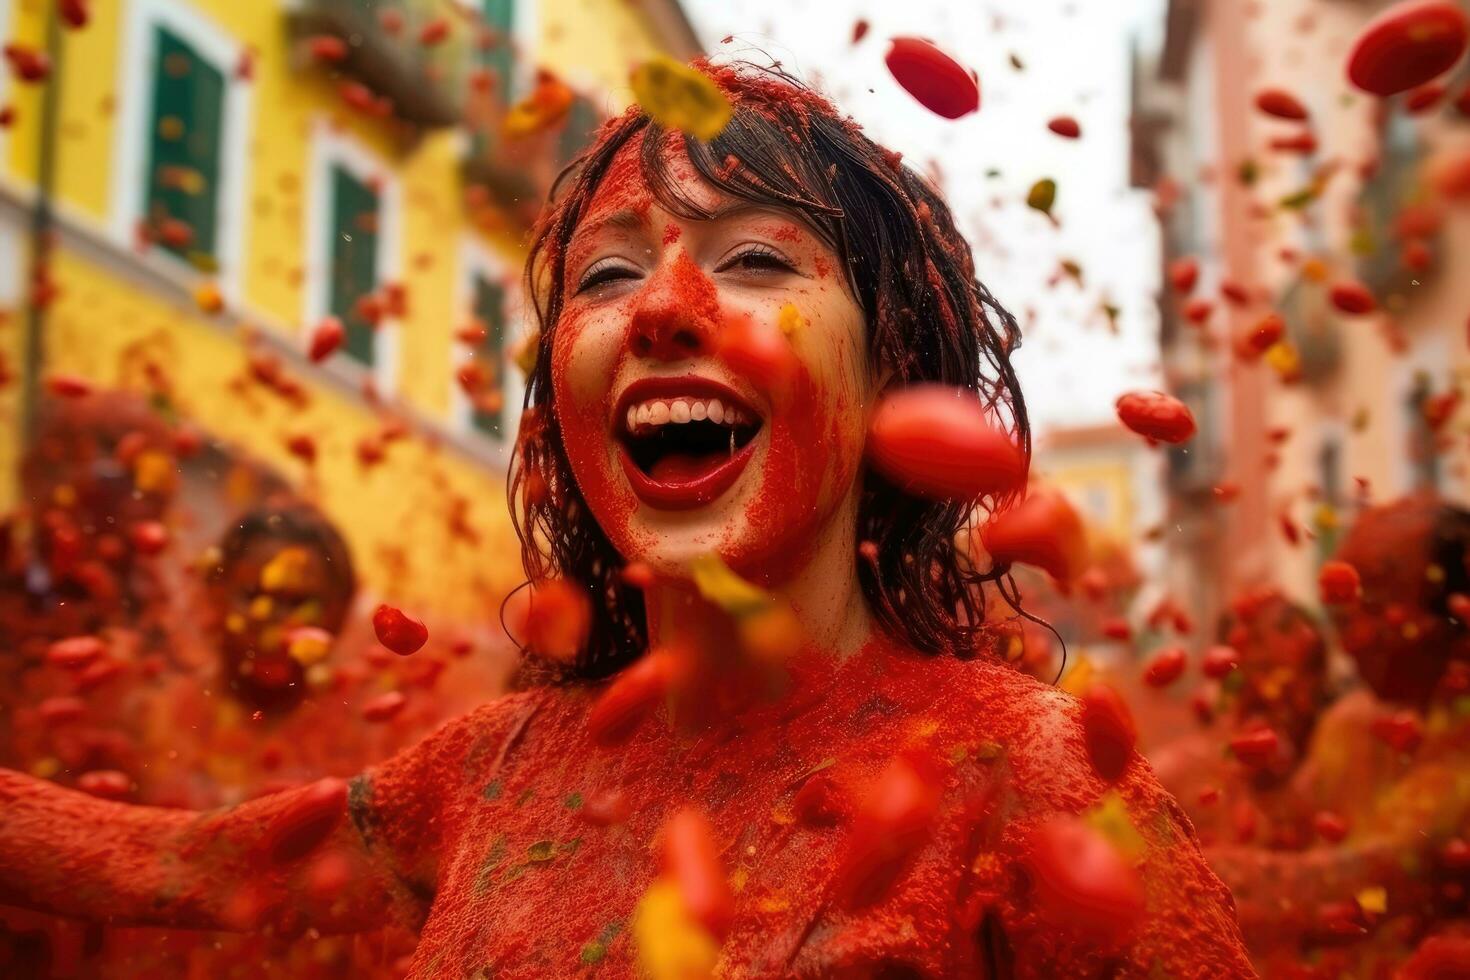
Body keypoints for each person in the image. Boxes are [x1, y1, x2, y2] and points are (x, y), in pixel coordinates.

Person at [0, 60, 1253, 978]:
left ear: (890, 378)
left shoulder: (1021, 772)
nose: (662, 306)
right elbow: (186, 866)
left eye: (761, 259)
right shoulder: (492, 765)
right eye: (606, 274)